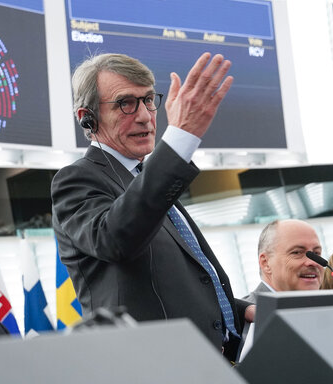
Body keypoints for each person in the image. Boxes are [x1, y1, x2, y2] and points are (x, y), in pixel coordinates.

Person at [51, 52, 254, 361]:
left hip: (212, 362)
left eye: (148, 100)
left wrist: (240, 310)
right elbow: (116, 239)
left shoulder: (147, 180)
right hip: (151, 367)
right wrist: (180, 138)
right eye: (125, 103)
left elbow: (174, 284)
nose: (145, 116)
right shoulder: (76, 180)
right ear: (87, 117)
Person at [243, 219, 324, 303]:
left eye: (316, 253)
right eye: (297, 252)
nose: (313, 262)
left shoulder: (326, 308)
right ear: (266, 263)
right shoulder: (248, 311)